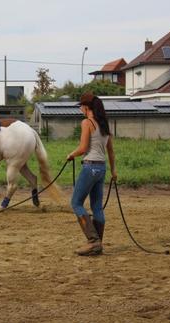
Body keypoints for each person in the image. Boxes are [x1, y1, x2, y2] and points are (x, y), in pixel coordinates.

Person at [66, 92, 117, 256]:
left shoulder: (87, 123)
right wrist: (114, 171)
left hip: (89, 167)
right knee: (96, 206)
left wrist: (71, 155)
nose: (80, 109)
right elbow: (110, 151)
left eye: (81, 106)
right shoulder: (104, 125)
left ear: (86, 107)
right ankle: (98, 243)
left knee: (76, 203)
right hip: (102, 169)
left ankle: (93, 241)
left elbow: (82, 149)